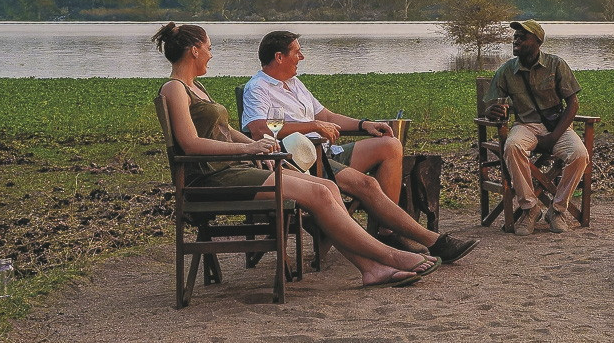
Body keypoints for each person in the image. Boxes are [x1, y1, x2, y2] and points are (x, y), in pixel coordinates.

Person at [152, 22, 440, 289]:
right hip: (213, 178)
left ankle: (370, 269)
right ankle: (390, 256)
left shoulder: (197, 87)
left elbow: (224, 130)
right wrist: (247, 149)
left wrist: (259, 145)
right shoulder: (174, 88)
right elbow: (190, 144)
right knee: (321, 193)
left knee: (327, 187)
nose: (211, 54)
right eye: (209, 48)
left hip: (233, 170)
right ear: (194, 50)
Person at [241, 30, 475, 263]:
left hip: (327, 153)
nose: (302, 57)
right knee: (367, 184)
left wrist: (364, 124)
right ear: (279, 57)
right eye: (297, 52)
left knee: (390, 145)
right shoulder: (258, 88)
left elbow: (327, 116)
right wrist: (313, 126)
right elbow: (259, 129)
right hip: (300, 162)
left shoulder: (295, 84)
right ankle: (433, 241)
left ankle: (386, 231)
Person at [487, 19, 589, 233]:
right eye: (515, 37)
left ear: (538, 42)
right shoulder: (506, 71)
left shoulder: (556, 64)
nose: (516, 41)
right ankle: (530, 208)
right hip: (525, 125)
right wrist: (492, 112)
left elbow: (573, 103)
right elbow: (493, 105)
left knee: (580, 155)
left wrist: (554, 136)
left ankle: (558, 209)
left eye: (522, 37)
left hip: (556, 126)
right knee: (512, 147)